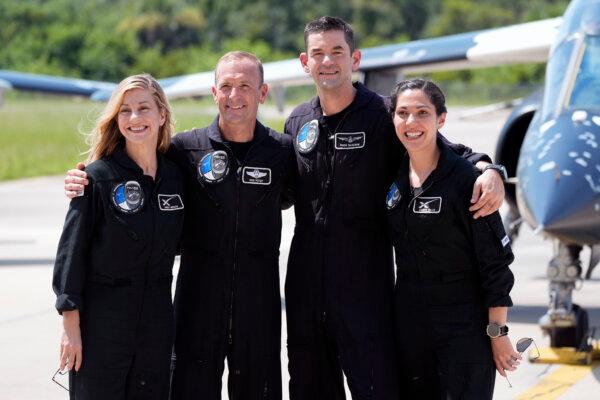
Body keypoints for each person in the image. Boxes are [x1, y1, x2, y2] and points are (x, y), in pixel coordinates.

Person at [283, 16, 507, 399]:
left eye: (337, 51)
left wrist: (491, 169)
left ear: (354, 58)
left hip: (366, 290)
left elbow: (446, 150)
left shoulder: (385, 115)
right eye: (318, 53)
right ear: (305, 63)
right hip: (305, 287)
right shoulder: (298, 122)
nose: (328, 61)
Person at [64, 52, 295, 400]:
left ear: (262, 93)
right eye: (227, 87)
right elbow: (131, 161)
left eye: (245, 86)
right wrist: (84, 177)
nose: (235, 96)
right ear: (214, 93)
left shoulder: (282, 152)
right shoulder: (185, 152)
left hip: (258, 304)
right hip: (195, 305)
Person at [53, 74, 185, 399]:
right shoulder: (96, 178)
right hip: (103, 324)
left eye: (143, 108)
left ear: (162, 114)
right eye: (125, 110)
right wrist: (71, 327)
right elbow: (72, 254)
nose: (134, 118)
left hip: (156, 322)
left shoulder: (176, 179)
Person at [386, 78, 518, 399]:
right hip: (411, 328)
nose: (411, 122)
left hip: (463, 330)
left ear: (441, 119)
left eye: (422, 113)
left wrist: (497, 333)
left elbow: (496, 266)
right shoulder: (393, 175)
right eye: (402, 113)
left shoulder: (468, 182)